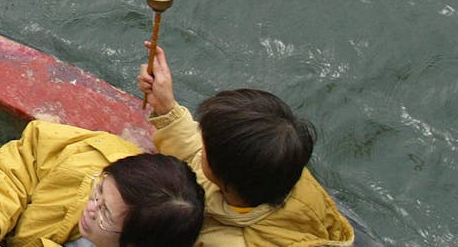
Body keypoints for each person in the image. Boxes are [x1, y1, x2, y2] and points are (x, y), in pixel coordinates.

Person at [138, 45, 355, 246]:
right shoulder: (284, 170)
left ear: (216, 172)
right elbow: (203, 157)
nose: (200, 147)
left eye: (205, 148)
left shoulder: (226, 242)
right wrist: (167, 109)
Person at [0, 120, 205, 247]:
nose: (91, 208)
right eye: (100, 191)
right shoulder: (100, 154)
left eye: (106, 214)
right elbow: (25, 155)